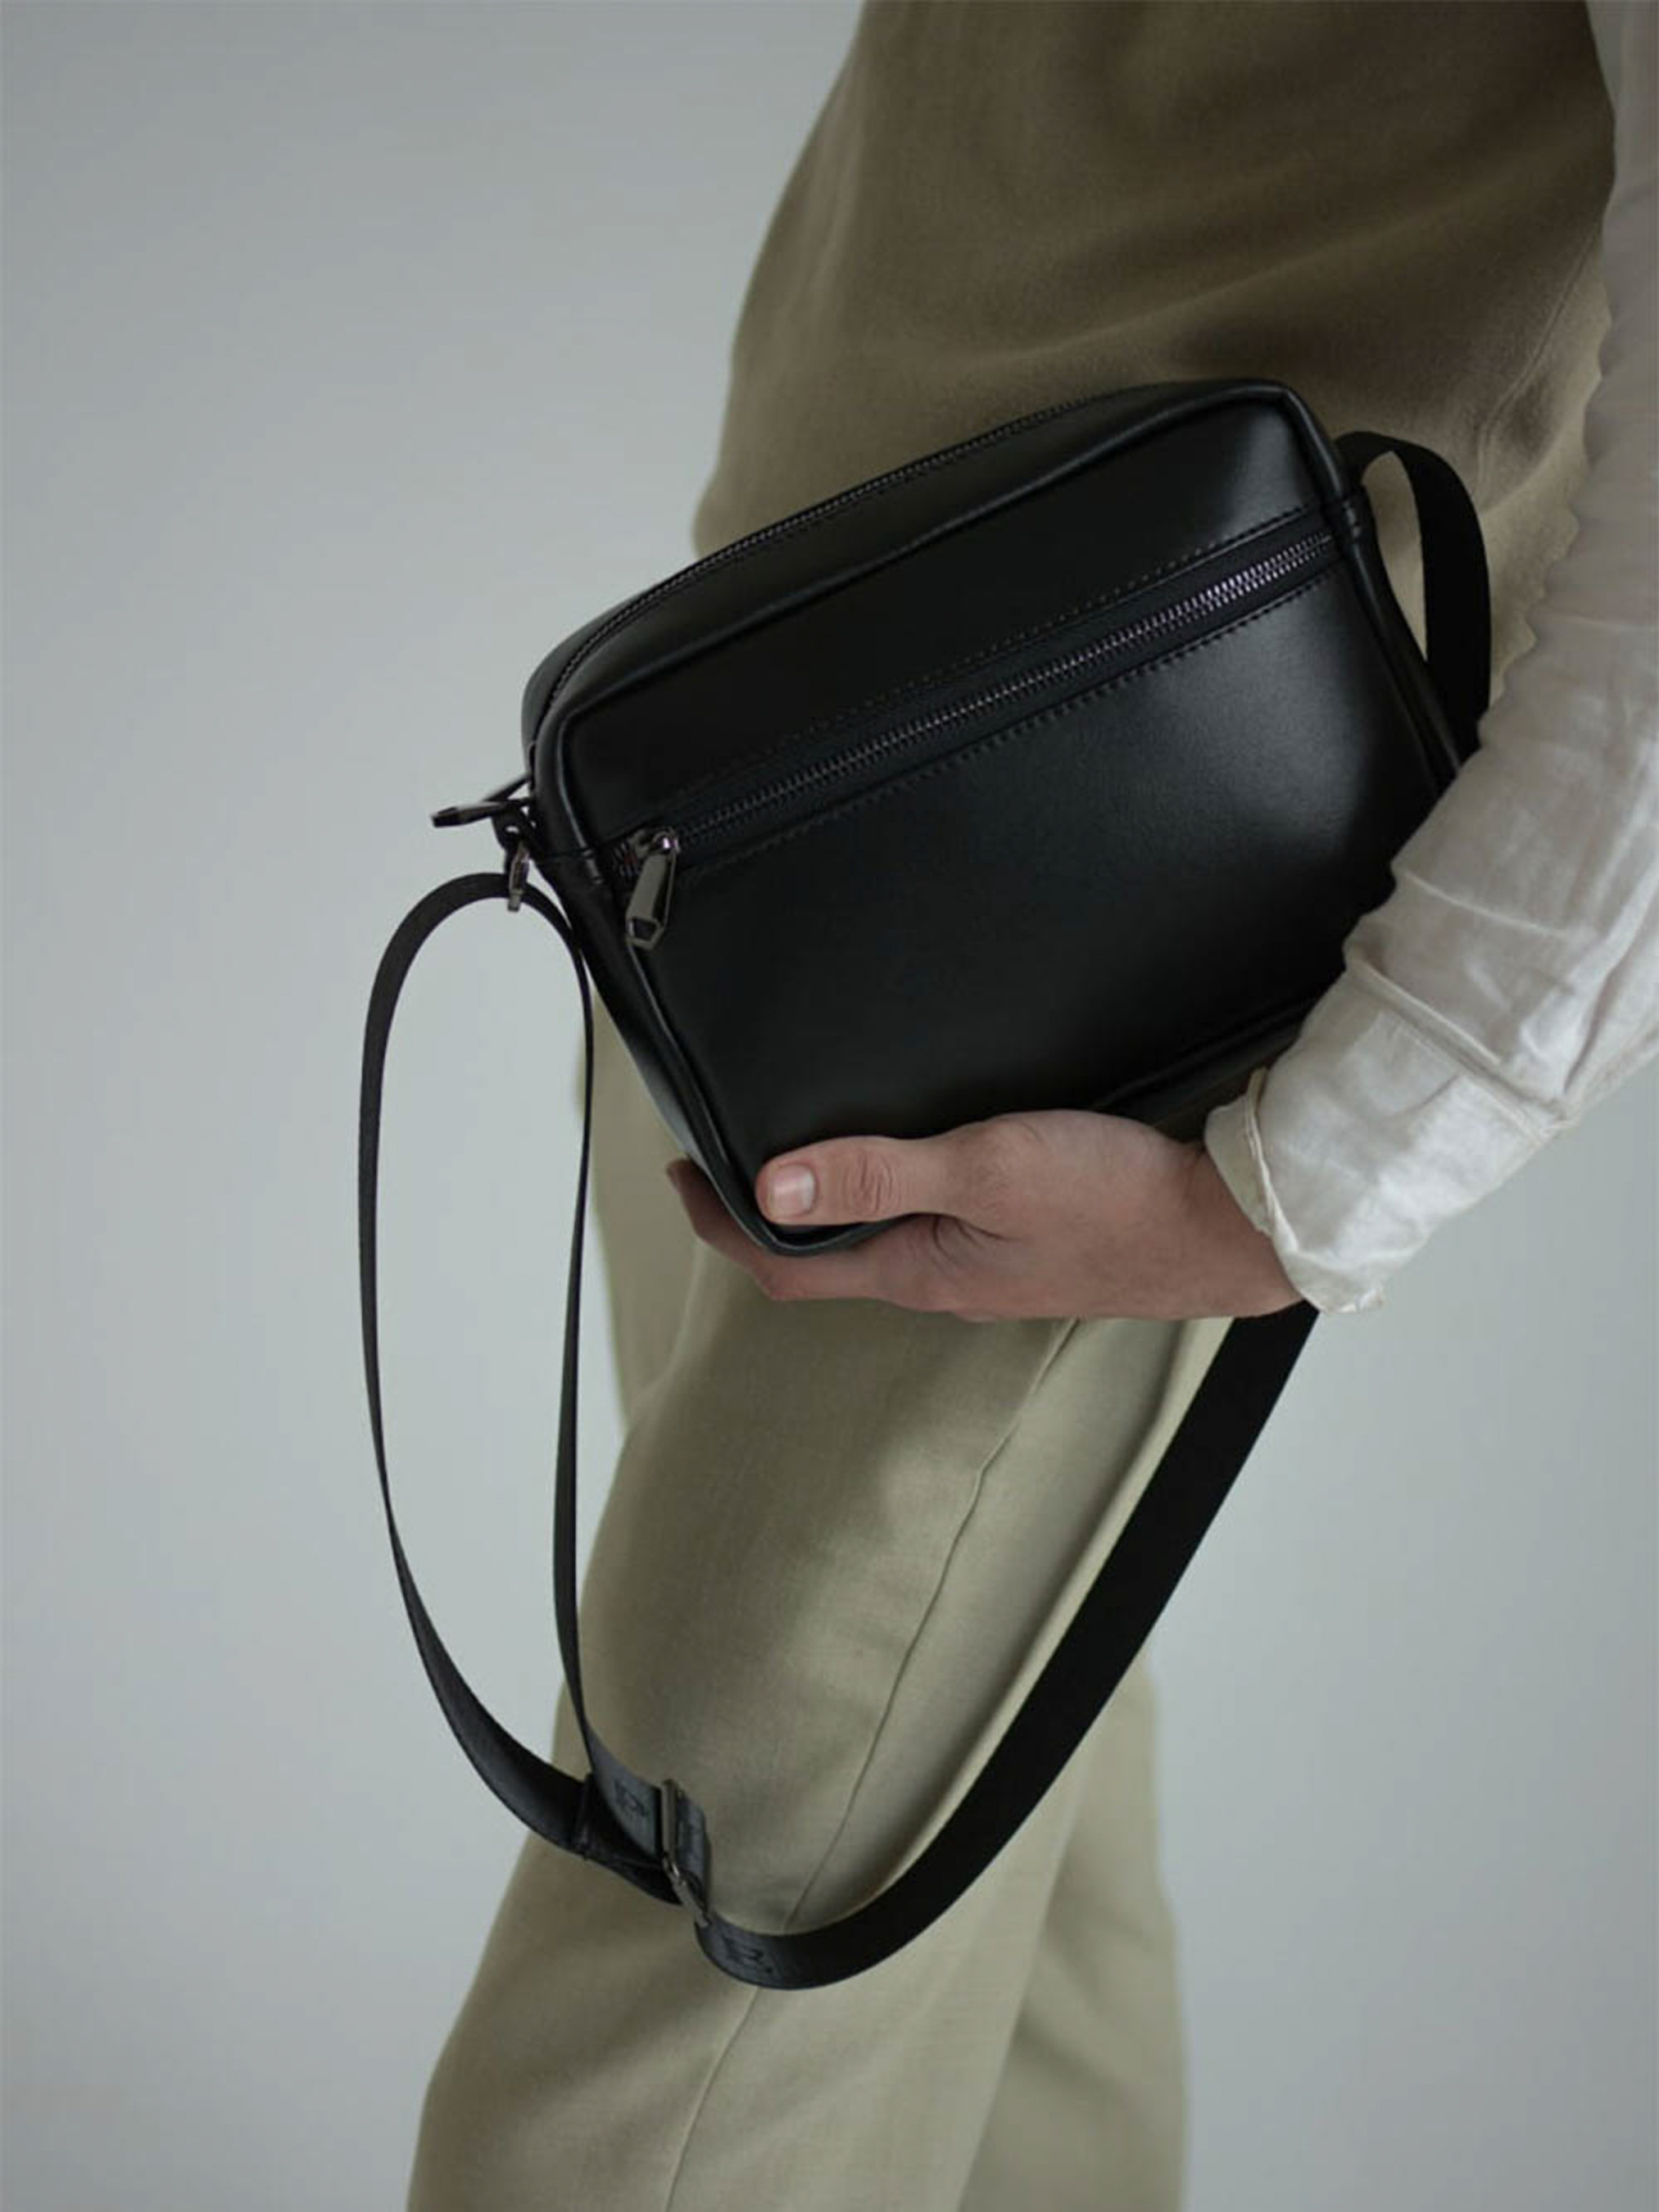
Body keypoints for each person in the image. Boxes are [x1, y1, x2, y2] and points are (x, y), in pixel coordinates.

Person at [406, 6, 1657, 2207]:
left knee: (686, 1990)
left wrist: (1306, 1180)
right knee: (1001, 1886)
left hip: (1103, 916)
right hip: (742, 802)